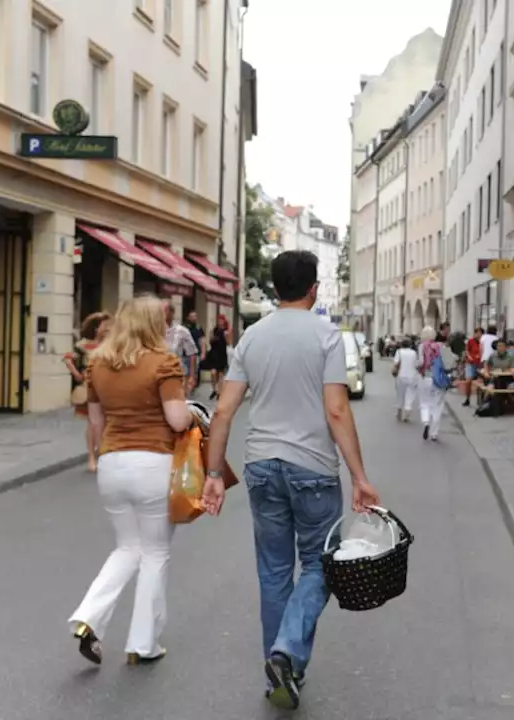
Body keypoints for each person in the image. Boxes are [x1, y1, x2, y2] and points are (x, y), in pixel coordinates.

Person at [201, 250, 381, 710]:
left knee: (274, 571)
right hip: (313, 470)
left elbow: (223, 410)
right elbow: (337, 409)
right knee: (321, 565)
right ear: (314, 289)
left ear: (275, 288)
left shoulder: (252, 337)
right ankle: (287, 654)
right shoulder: (326, 336)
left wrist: (213, 473)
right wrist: (360, 476)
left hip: (261, 466)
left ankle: (277, 672)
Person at [67, 296, 193, 667]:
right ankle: (143, 642)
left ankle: (89, 616)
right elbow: (177, 421)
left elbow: (96, 422)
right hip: (153, 462)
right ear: (153, 325)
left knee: (126, 548)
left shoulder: (97, 364)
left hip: (112, 463)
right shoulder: (163, 362)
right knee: (155, 553)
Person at [64, 312, 113, 472]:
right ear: (95, 327)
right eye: (104, 326)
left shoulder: (112, 344)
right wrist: (77, 375)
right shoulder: (83, 344)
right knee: (93, 423)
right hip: (90, 386)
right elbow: (68, 358)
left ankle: (103, 454)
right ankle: (92, 457)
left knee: (105, 423)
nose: (107, 329)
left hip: (108, 385)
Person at [416, 326, 451, 441]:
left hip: (425, 378)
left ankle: (426, 422)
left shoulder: (422, 346)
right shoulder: (441, 346)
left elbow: (421, 362)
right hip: (438, 380)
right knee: (437, 406)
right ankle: (434, 433)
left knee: (425, 403)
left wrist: (417, 367)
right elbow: (449, 364)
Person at [164, 303, 199, 396]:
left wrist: (192, 376)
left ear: (172, 313)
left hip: (175, 372)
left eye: (164, 311)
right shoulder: (154, 330)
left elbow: (192, 353)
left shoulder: (181, 331)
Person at [204, 314, 232, 400]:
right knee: (213, 373)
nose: (220, 322)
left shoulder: (227, 331)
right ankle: (214, 390)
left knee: (220, 375)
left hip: (221, 354)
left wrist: (226, 335)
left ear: (224, 321)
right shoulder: (214, 330)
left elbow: (229, 342)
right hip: (213, 354)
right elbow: (210, 341)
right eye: (218, 320)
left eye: (221, 320)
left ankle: (220, 392)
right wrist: (212, 337)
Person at [392, 336, 420, 422]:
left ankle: (399, 412)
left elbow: (396, 362)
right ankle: (407, 412)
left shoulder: (399, 352)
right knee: (410, 394)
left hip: (401, 375)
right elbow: (416, 364)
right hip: (412, 376)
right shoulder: (414, 353)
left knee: (400, 394)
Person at [462, 327, 484, 407]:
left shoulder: (483, 342)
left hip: (480, 364)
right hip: (470, 364)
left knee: (481, 382)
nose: (478, 335)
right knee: (468, 381)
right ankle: (467, 399)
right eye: (476, 333)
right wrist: (469, 356)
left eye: (479, 333)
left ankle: (481, 400)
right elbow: (467, 350)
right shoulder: (470, 341)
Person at [185, 310, 206, 389]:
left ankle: (193, 386)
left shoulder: (198, 327)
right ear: (188, 317)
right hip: (185, 353)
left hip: (195, 353)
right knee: (185, 372)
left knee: (195, 371)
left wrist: (203, 353)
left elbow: (202, 340)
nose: (194, 318)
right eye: (192, 316)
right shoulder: (185, 327)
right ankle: (187, 387)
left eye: (195, 316)